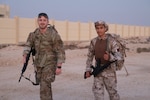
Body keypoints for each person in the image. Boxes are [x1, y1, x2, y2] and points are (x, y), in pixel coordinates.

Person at [23, 13, 65, 100]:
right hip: (38, 63)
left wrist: (59, 66)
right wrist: (25, 55)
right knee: (43, 86)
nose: (42, 22)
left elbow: (60, 50)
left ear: (48, 21)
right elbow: (28, 44)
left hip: (50, 63)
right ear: (37, 21)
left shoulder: (53, 34)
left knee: (45, 85)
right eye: (40, 20)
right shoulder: (34, 34)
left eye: (44, 20)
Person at [85, 20, 120, 100]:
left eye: (101, 28)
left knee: (113, 94)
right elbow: (90, 56)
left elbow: (119, 55)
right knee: (98, 95)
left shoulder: (111, 41)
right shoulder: (94, 41)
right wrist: (88, 70)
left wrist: (110, 57)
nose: (99, 30)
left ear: (105, 29)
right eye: (97, 28)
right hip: (98, 71)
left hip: (109, 72)